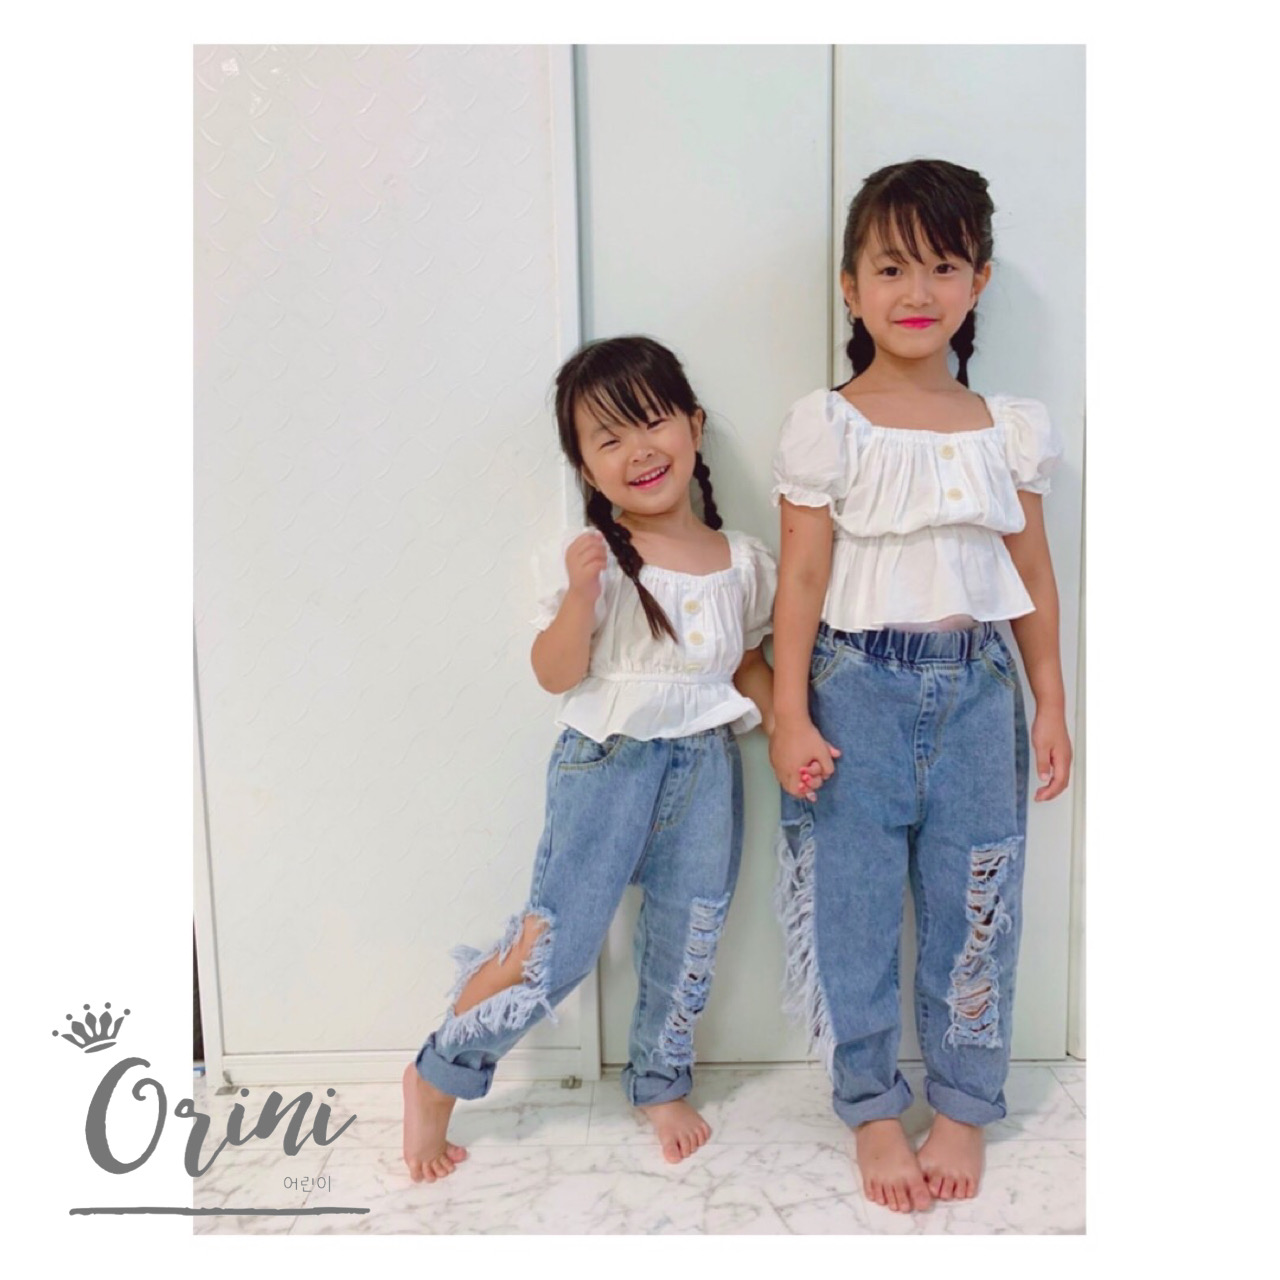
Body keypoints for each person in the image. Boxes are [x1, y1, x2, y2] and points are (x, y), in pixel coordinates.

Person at [769, 159, 1073, 1213]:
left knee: (976, 903)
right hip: (853, 690)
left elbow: (1032, 576)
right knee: (852, 909)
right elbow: (800, 576)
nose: (917, 289)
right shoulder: (828, 424)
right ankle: (867, 1105)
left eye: (943, 266)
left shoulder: (1006, 426)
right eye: (891, 266)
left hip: (979, 694)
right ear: (849, 286)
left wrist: (1051, 697)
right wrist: (790, 710)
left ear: (977, 281)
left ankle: (962, 1102)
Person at [402, 335, 776, 1181]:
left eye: (653, 422)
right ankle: (437, 1074)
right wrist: (580, 594)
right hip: (607, 766)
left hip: (706, 768)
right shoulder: (595, 560)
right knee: (554, 945)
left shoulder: (744, 560)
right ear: (586, 468)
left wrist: (789, 727)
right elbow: (555, 673)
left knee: (690, 930)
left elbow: (745, 664)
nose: (638, 449)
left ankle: (660, 1082)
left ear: (694, 426)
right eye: (609, 438)